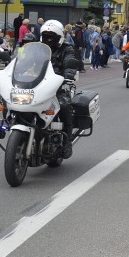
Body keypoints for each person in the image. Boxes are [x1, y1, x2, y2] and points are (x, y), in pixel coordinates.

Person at [40, 19, 78, 159]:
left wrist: (68, 73)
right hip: (38, 85)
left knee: (64, 105)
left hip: (59, 85)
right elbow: (22, 59)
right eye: (46, 36)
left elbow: (70, 60)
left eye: (52, 36)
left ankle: (67, 141)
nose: (49, 39)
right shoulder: (38, 47)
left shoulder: (66, 48)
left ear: (59, 37)